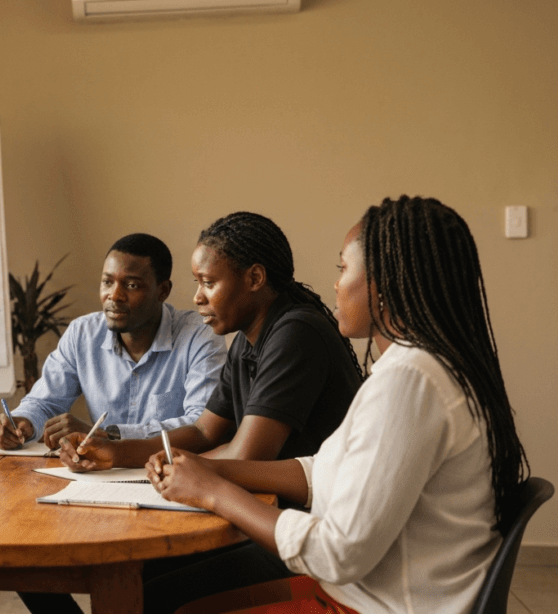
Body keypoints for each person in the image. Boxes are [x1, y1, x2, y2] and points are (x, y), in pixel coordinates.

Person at [146, 195, 529, 613]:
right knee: (167, 593)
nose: (335, 284)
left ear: (383, 284)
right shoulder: (417, 367)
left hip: (369, 606)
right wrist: (210, 470)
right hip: (365, 596)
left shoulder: (410, 381)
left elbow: (337, 554)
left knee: (168, 601)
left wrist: (215, 491)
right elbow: (322, 470)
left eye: (343, 269)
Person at [46, 212, 364, 614]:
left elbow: (248, 455)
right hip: (265, 511)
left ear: (254, 279)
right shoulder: (248, 340)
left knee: (154, 592)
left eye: (208, 283)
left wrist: (161, 471)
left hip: (304, 527)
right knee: (141, 575)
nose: (197, 297)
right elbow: (203, 431)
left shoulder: (295, 332)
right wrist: (116, 451)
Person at [0, 233, 227, 450]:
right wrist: (23, 421)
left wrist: (107, 434)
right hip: (97, 473)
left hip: (169, 472)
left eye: (131, 285)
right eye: (107, 282)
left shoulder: (200, 335)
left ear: (162, 291)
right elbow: (44, 403)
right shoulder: (82, 333)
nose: (114, 296)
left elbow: (201, 425)